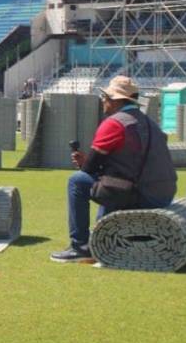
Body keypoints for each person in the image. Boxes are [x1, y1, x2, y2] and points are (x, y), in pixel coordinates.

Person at [51, 76, 177, 263]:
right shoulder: (150, 124)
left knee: (77, 181)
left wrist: (84, 162)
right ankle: (102, 236)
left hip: (139, 194)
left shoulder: (114, 124)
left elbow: (89, 168)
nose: (103, 100)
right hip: (164, 193)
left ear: (116, 100)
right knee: (108, 183)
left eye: (106, 97)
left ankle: (79, 246)